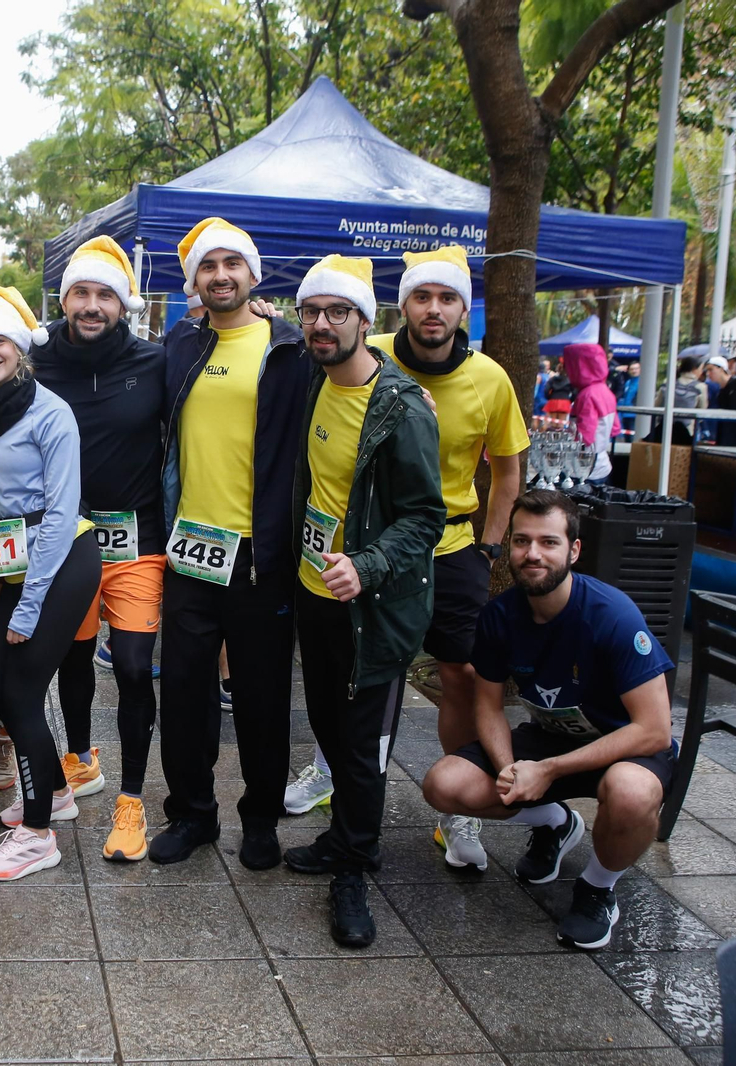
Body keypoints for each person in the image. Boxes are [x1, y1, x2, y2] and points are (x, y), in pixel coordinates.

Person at [291, 245, 528, 868]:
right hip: (327, 572)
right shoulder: (329, 362)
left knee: (454, 679)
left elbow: (504, 474)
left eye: (448, 297)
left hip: (435, 551)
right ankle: (337, 798)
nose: (434, 308)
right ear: (399, 309)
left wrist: (488, 550)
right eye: (422, 296)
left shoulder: (445, 389)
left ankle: (450, 814)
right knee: (338, 705)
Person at [421, 490, 676, 950]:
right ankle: (557, 822)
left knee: (631, 794)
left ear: (573, 550)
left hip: (624, 748)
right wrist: (508, 769)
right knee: (445, 784)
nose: (532, 553)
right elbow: (488, 705)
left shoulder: (611, 616)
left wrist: (550, 770)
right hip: (550, 739)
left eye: (548, 542)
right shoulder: (499, 616)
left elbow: (655, 729)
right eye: (521, 541)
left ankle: (598, 888)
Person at [277, 256, 444, 947]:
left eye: (336, 311)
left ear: (366, 321)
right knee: (325, 724)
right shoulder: (306, 379)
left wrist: (367, 565)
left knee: (358, 746)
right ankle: (345, 838)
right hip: (313, 593)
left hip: (367, 606)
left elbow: (425, 517)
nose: (321, 323)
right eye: (310, 310)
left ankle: (354, 866)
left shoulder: (402, 407)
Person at [154, 217, 308, 869]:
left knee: (263, 698)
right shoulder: (180, 346)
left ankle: (261, 819)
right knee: (184, 694)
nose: (220, 275)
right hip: (190, 547)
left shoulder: (293, 348)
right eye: (208, 267)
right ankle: (192, 815)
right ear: (195, 282)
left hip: (262, 553)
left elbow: (362, 357)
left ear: (254, 274)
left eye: (231, 264)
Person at [0, 283, 102, 880]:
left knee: (19, 694)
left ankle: (39, 835)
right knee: (3, 695)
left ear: (20, 348)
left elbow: (62, 515)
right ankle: (58, 794)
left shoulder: (52, 414)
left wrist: (28, 605)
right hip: (13, 559)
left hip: (62, 557)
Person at [33, 235, 166, 861]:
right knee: (74, 659)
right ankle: (82, 759)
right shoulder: (37, 361)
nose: (91, 305)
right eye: (81, 293)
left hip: (139, 540)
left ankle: (132, 803)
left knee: (136, 667)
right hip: (67, 541)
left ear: (124, 304)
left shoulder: (157, 361)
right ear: (64, 300)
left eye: (104, 295)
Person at [561, 342, 615, 484]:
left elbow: (585, 436)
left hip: (584, 468)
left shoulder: (587, 395)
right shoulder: (605, 391)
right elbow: (615, 428)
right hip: (601, 464)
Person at [653, 355, 707, 445]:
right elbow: (702, 411)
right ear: (695, 369)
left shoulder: (668, 383)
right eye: (701, 369)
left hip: (663, 429)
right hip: (687, 432)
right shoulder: (700, 387)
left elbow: (656, 405)